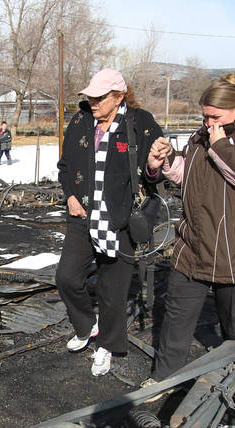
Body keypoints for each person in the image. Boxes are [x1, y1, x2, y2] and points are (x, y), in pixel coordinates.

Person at [147, 73, 235, 381]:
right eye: (204, 116)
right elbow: (188, 174)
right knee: (176, 318)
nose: (208, 122)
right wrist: (165, 161)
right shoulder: (204, 134)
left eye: (214, 116)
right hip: (194, 242)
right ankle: (163, 379)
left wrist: (220, 144)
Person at [56, 68, 163, 377]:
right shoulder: (80, 121)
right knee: (67, 277)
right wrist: (70, 195)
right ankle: (87, 325)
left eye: (100, 97)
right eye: (90, 96)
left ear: (119, 96)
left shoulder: (139, 124)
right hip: (82, 214)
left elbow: (154, 172)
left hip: (121, 217)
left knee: (112, 290)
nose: (92, 102)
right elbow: (65, 167)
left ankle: (108, 344)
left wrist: (157, 162)